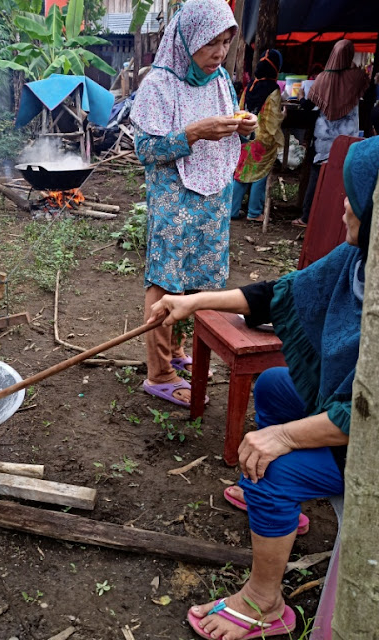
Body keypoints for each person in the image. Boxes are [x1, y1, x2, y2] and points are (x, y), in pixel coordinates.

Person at [147, 135, 379, 640]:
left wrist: (287, 439)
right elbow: (281, 295)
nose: (344, 204)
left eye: (356, 197)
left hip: (373, 445)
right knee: (275, 386)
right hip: (351, 413)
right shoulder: (360, 261)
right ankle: (282, 510)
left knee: (271, 463)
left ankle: (265, 604)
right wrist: (196, 302)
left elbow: (372, 412)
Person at [129, 0, 257, 408]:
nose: (219, 54)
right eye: (209, 44)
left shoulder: (219, 79)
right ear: (186, 40)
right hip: (174, 196)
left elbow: (234, 130)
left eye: (224, 43)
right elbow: (146, 150)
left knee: (197, 278)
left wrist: (246, 127)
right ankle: (159, 372)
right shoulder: (160, 84)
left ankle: (179, 352)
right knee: (166, 280)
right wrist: (193, 133)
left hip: (214, 196)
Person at [293, 39, 369, 228]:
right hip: (349, 137)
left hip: (324, 137)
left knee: (317, 177)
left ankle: (306, 217)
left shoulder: (322, 79)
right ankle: (337, 217)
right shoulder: (357, 77)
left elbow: (307, 106)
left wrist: (302, 97)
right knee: (343, 177)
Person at [231, 49, 285, 222]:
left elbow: (240, 110)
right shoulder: (273, 89)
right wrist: (283, 116)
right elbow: (272, 121)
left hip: (246, 136)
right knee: (260, 174)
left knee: (242, 172)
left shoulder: (250, 86)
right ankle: (254, 212)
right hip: (263, 140)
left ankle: (232, 210)